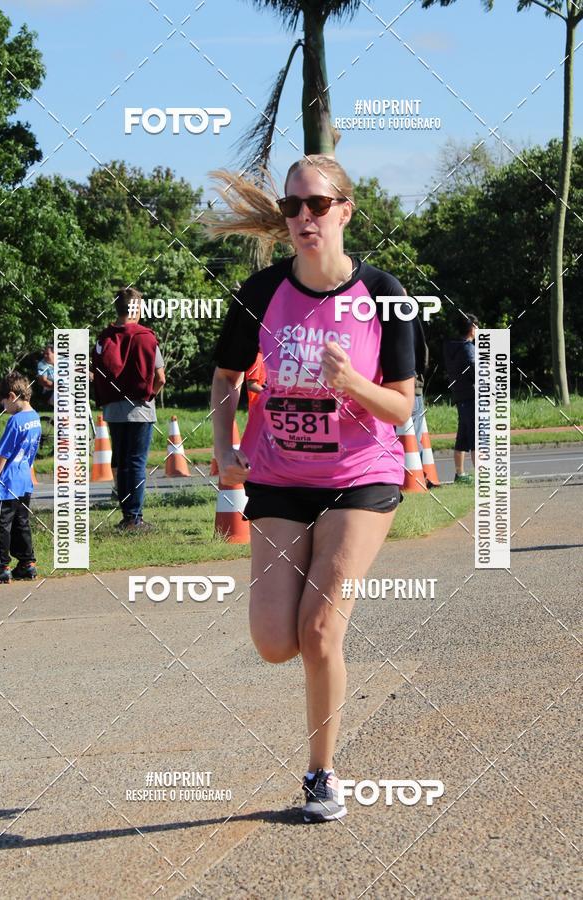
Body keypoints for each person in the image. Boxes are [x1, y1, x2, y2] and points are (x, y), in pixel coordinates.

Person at [208, 156, 415, 823]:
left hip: (360, 477)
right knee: (276, 640)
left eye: (317, 205)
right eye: (292, 207)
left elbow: (402, 408)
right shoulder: (260, 292)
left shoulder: (385, 294)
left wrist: (352, 382)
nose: (303, 217)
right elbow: (224, 380)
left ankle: (321, 774)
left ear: (345, 210)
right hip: (278, 478)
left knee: (320, 629)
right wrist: (223, 450)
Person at [92, 287, 166, 532]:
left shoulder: (104, 337)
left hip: (113, 410)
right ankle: (134, 518)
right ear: (136, 308)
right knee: (136, 462)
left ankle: (127, 515)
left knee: (122, 462)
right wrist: (150, 394)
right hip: (140, 410)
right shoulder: (146, 337)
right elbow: (160, 378)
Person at [0, 372, 41, 584]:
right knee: (22, 524)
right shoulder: (35, 418)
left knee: (1, 527)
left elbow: (3, 454)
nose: (3, 409)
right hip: (24, 480)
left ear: (12, 395)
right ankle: (28, 564)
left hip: (7, 483)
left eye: (4, 403)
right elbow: (31, 453)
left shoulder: (15, 421)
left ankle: (0, 567)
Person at [443, 314, 478, 483]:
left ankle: (460, 473)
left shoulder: (451, 348)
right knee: (476, 438)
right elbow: (475, 371)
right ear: (472, 329)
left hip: (459, 395)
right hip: (471, 396)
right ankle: (483, 477)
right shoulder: (468, 349)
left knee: (463, 437)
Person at [411, 314, 429, 453]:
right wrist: (419, 376)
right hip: (412, 385)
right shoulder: (408, 317)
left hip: (380, 390)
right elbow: (422, 351)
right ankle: (416, 474)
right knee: (414, 442)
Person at [36, 343, 55, 408]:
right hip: (49, 392)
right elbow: (43, 381)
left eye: (47, 354)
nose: (45, 355)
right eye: (44, 354)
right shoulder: (42, 364)